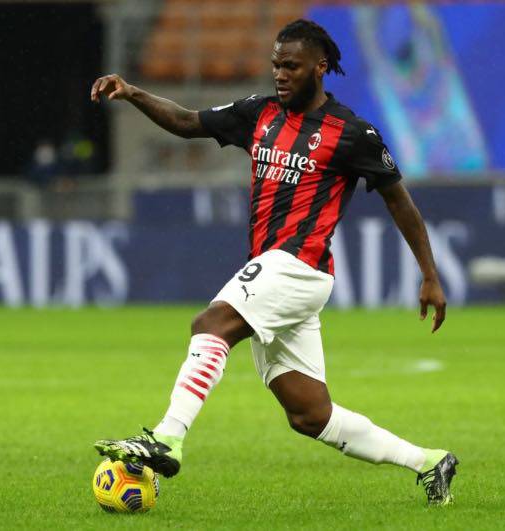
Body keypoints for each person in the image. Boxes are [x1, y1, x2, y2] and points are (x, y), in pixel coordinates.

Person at [91, 19, 457, 505]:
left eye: (291, 66)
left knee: (211, 324)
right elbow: (188, 122)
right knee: (310, 415)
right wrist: (134, 92)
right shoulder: (259, 113)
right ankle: (430, 462)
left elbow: (399, 201)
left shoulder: (353, 133)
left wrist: (430, 274)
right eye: (276, 65)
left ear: (320, 68)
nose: (280, 74)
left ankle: (167, 437)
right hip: (279, 270)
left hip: (299, 265)